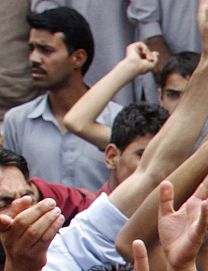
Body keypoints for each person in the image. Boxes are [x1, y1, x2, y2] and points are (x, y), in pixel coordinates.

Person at [5, 7, 122, 190]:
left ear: (78, 58)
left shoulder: (117, 120)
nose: (34, 58)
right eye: (32, 49)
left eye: (46, 50)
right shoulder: (17, 121)